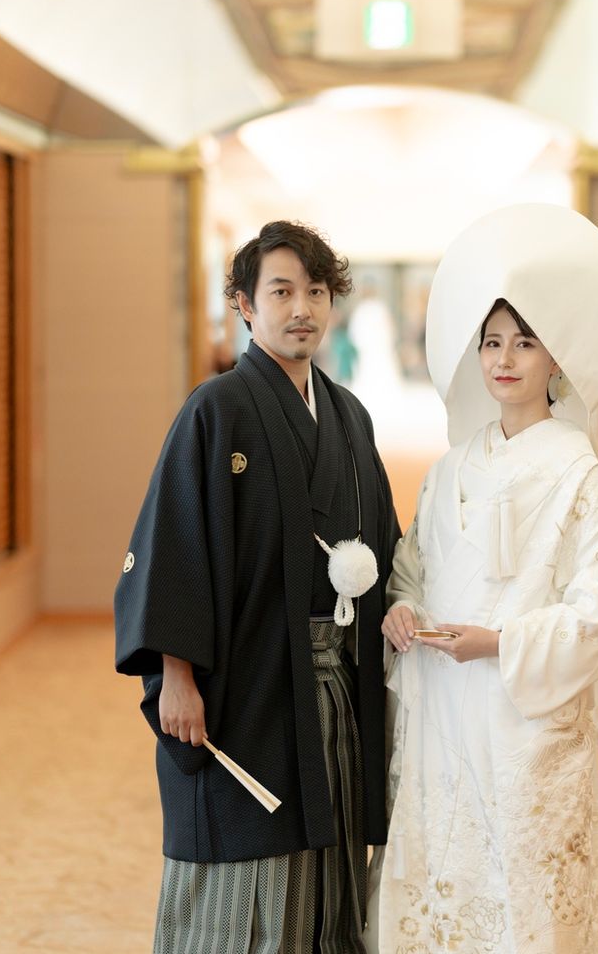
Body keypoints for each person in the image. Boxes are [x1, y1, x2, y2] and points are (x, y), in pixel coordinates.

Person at [115, 220, 401, 954]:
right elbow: (175, 544)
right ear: (245, 305)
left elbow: (383, 544)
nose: (301, 308)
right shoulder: (215, 410)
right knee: (251, 864)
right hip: (250, 682)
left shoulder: (350, 417)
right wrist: (176, 674)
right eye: (281, 292)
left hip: (334, 686)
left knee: (328, 869)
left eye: (316, 291)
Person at [376, 204, 598, 953]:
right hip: (446, 714)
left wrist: (498, 642)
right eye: (491, 341)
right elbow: (412, 568)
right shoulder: (450, 468)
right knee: (447, 883)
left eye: (525, 342)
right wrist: (402, 607)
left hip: (526, 720)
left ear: (556, 360)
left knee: (528, 897)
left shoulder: (578, 472)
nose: (505, 359)